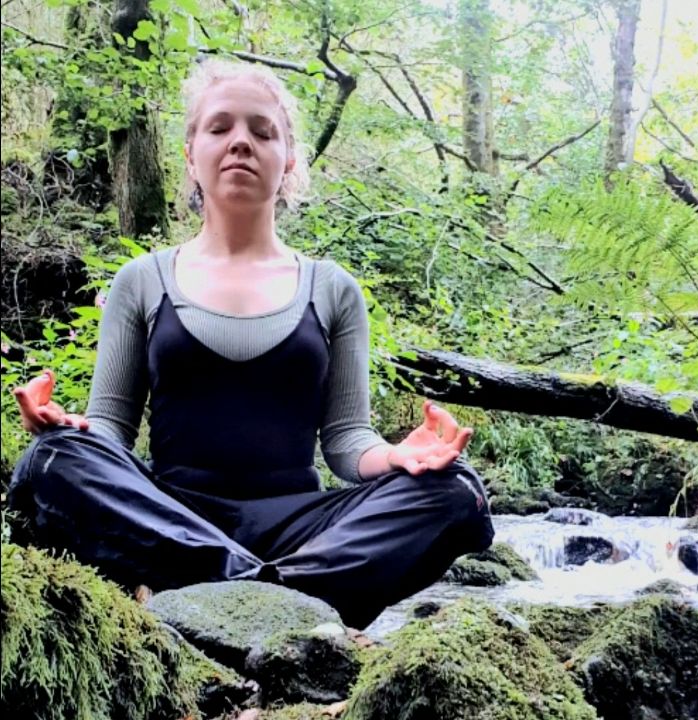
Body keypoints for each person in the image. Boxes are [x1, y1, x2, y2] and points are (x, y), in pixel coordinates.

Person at [9, 60, 494, 630]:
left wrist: (397, 456)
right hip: (170, 516)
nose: (240, 142)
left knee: (456, 490)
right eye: (220, 128)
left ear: (288, 159)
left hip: (300, 527)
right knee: (54, 458)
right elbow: (110, 431)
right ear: (190, 155)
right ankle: (279, 594)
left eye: (262, 132)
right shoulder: (141, 281)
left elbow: (346, 441)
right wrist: (68, 428)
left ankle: (237, 592)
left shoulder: (332, 288)